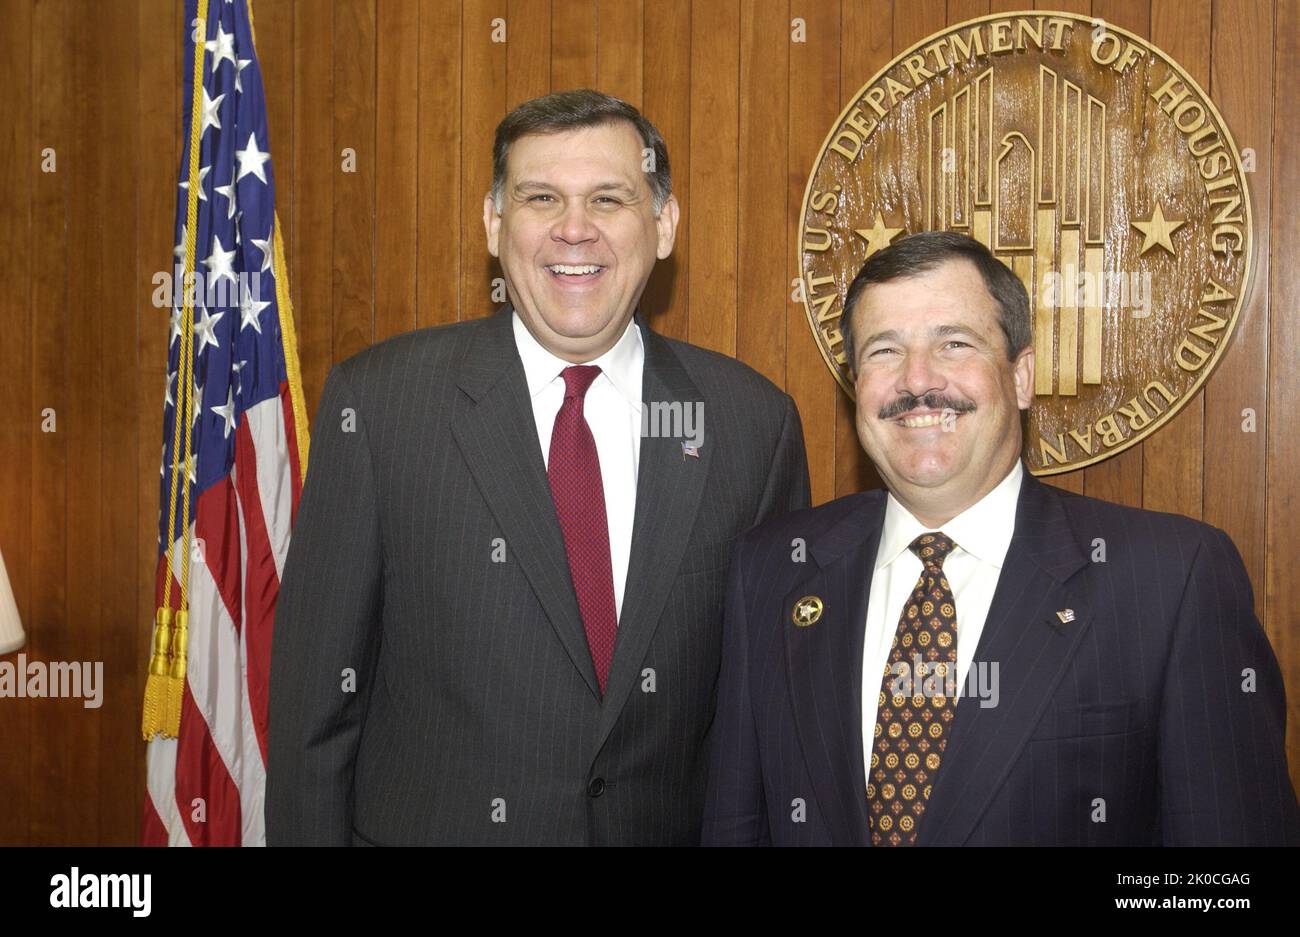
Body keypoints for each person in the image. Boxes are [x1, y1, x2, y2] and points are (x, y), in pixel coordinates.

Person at [266, 89, 810, 845]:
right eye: (541, 197)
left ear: (664, 225)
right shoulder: (381, 407)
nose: (574, 229)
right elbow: (312, 716)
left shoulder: (754, 426)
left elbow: (765, 725)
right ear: (495, 223)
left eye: (609, 198)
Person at [702, 230, 1300, 846]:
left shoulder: (1171, 580)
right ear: (855, 386)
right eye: (884, 351)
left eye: (954, 343)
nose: (917, 381)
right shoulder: (773, 570)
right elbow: (736, 827)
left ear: (1020, 377)